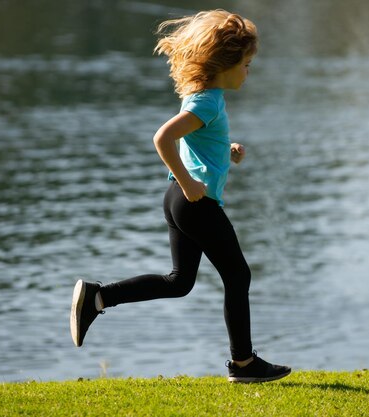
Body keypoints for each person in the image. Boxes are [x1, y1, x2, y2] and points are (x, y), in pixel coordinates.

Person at [70, 9, 291, 383]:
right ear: (226, 64)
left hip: (177, 200)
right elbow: (164, 137)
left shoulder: (205, 97)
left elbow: (195, 140)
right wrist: (191, 184)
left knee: (179, 282)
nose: (249, 72)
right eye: (247, 64)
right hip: (194, 202)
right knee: (238, 275)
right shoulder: (206, 102)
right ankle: (243, 364)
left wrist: (226, 151)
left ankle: (97, 298)